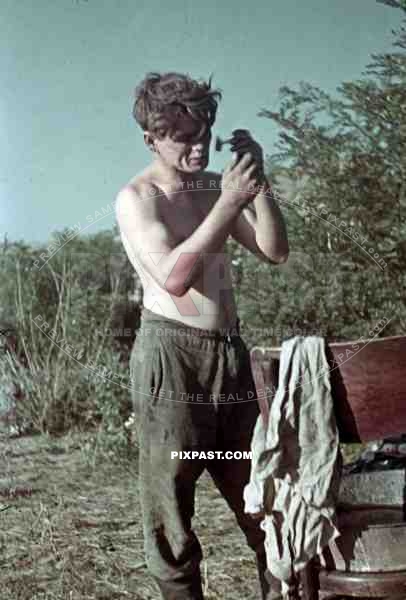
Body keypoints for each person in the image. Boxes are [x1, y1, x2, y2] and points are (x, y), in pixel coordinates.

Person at [115, 71, 289, 600]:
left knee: (264, 499)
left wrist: (256, 185)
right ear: (152, 139)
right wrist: (228, 200)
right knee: (171, 520)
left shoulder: (216, 187)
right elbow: (174, 276)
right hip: (171, 360)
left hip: (229, 358)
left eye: (204, 134)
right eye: (183, 138)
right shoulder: (137, 198)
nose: (198, 148)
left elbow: (274, 250)